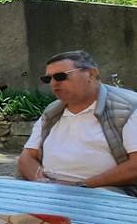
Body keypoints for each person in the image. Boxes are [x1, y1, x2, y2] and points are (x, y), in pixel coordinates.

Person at [17, 50, 137, 196]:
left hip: (106, 192)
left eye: (61, 76)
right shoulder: (52, 111)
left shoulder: (127, 107)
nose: (54, 83)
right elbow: (27, 156)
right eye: (48, 79)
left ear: (91, 74)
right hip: (51, 192)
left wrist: (81, 186)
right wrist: (42, 182)